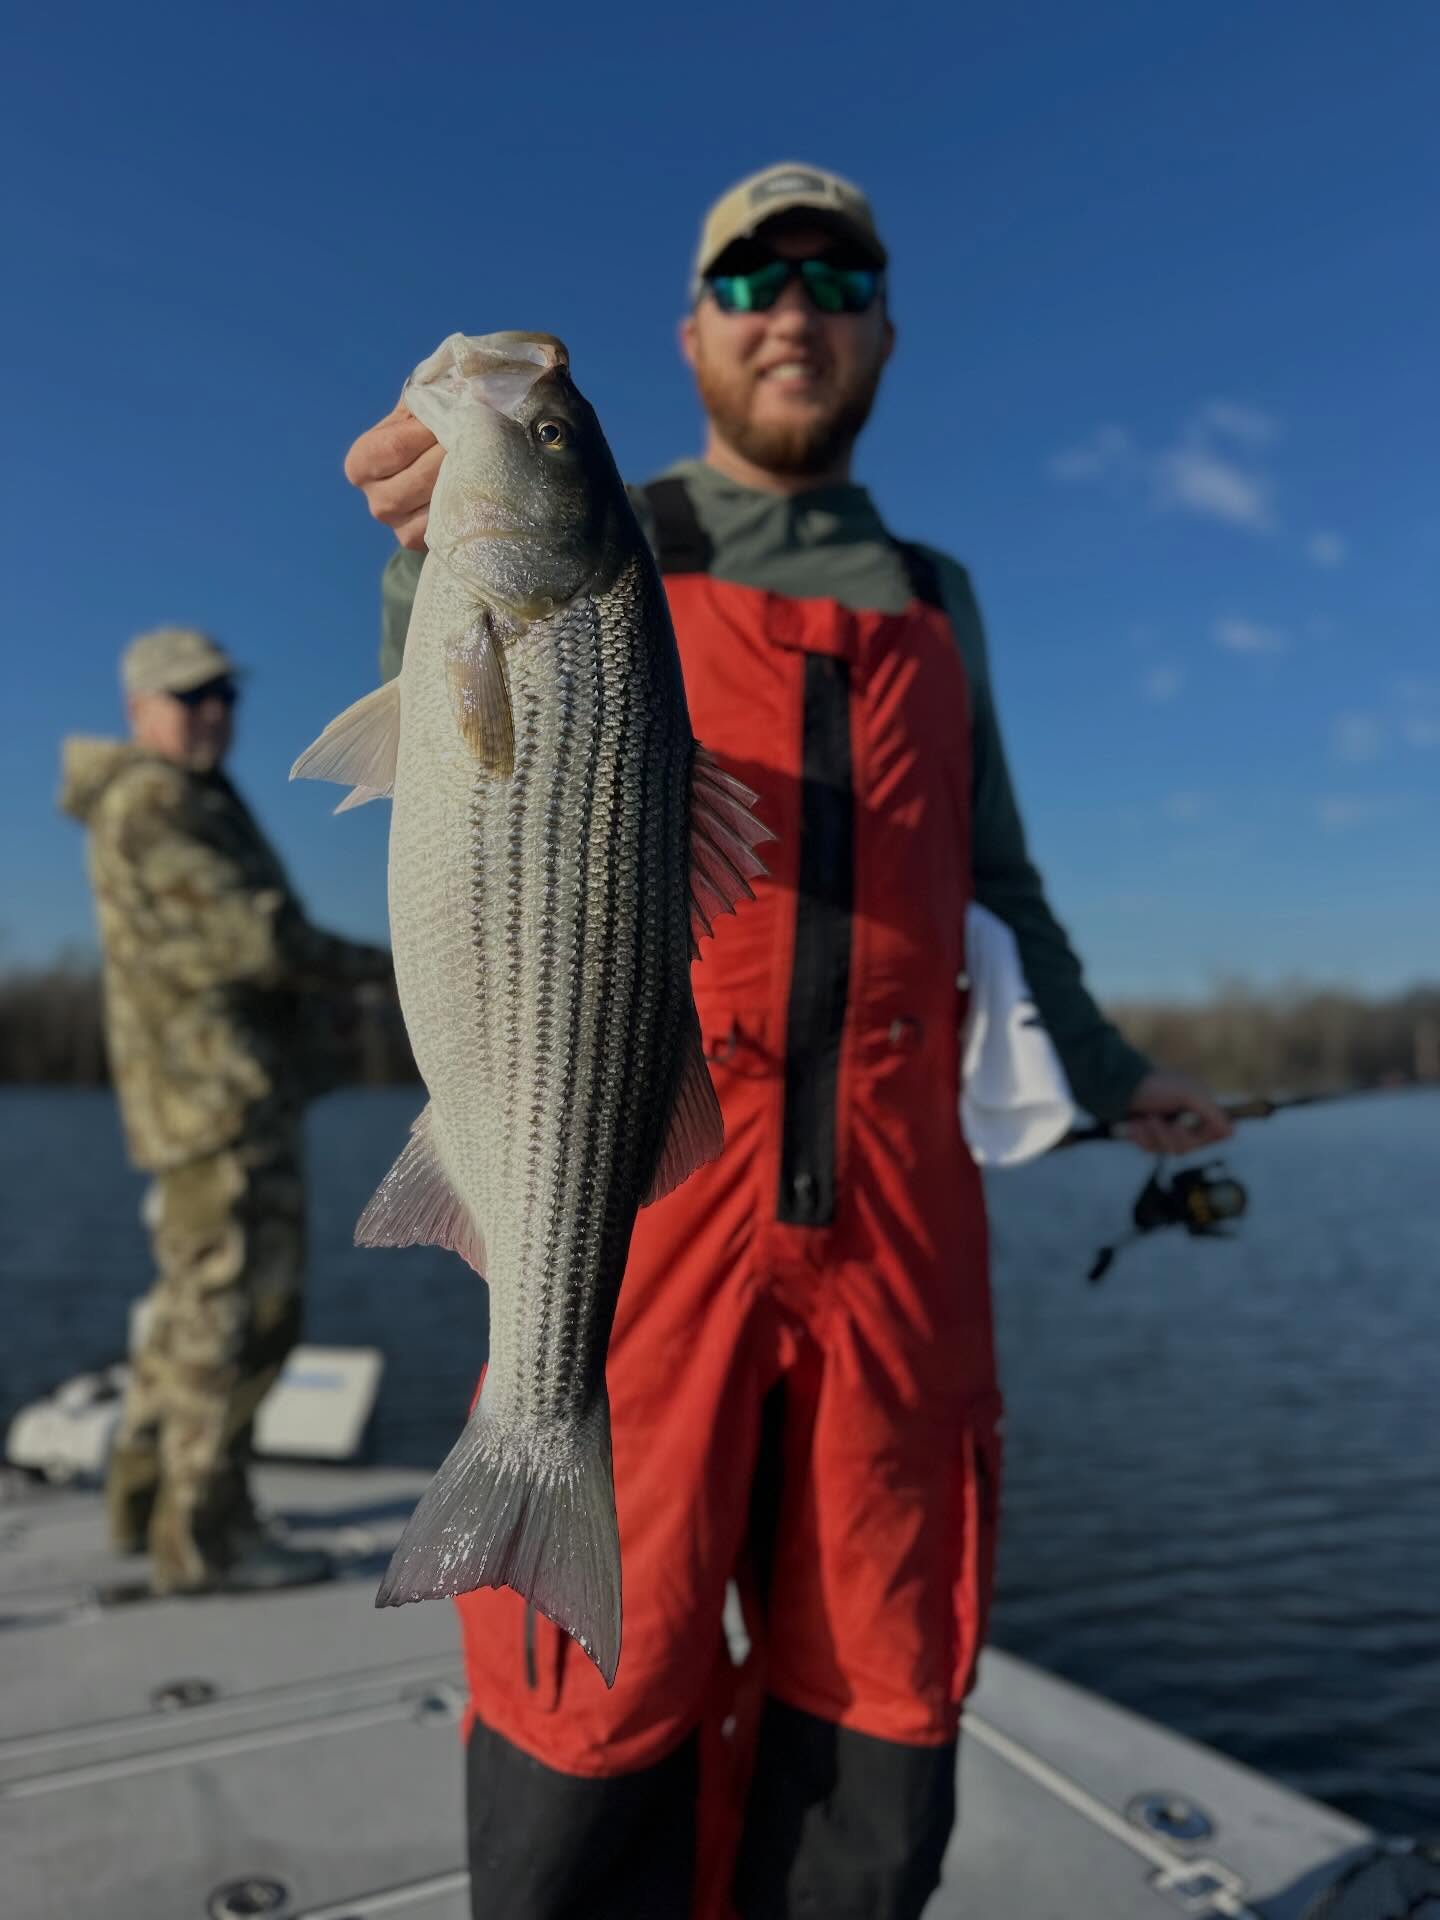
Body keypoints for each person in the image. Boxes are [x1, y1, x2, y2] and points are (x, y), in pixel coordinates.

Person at [344, 163, 1233, 1919]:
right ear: (693, 335)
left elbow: (1002, 883)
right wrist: (425, 540)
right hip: (647, 1193)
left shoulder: (934, 590)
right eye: (751, 280)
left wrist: (1121, 1077)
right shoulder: (618, 534)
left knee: (877, 1701)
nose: (795, 307)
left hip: (902, 1235)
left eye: (836, 276)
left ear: (885, 326)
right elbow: (451, 763)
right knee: (591, 1700)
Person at [59, 626, 393, 1596]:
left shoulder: (187, 794)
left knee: (188, 1311)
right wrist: (405, 963)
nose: (214, 712)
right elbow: (256, 939)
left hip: (210, 1098)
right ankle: (205, 1541)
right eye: (190, 695)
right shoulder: (157, 800)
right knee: (241, 1316)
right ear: (138, 710)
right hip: (218, 1100)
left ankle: (144, 1503)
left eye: (225, 695)